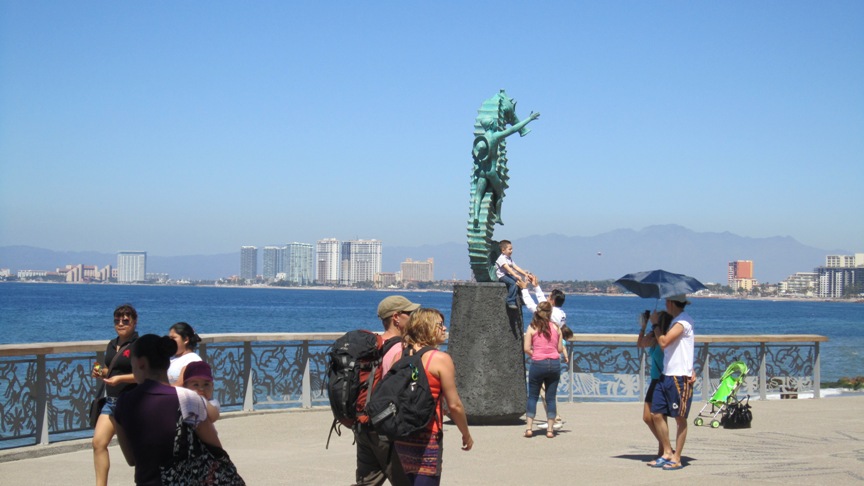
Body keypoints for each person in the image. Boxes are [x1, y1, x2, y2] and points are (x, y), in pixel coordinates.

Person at [112, 334, 223, 486]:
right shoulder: (188, 399)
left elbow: (131, 459)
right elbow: (215, 449)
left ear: (141, 363)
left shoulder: (123, 402)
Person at [393, 308, 473, 485]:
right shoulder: (439, 359)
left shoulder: (400, 355)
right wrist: (466, 433)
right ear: (426, 327)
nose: (444, 329)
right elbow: (455, 405)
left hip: (402, 434)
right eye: (440, 325)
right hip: (427, 435)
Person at [352, 296, 419, 486]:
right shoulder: (400, 348)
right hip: (385, 427)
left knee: (367, 482)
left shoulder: (372, 346)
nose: (414, 317)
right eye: (410, 313)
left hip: (364, 424)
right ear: (396, 317)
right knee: (407, 481)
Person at [92, 304, 139, 486]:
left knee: (137, 452)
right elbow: (111, 370)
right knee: (98, 443)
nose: (121, 323)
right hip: (111, 403)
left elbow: (144, 375)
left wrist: (120, 379)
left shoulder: (138, 345)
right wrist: (101, 372)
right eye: (117, 320)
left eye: (125, 320)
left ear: (134, 322)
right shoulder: (112, 344)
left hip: (131, 404)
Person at [649, 295, 696, 471]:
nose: (665, 305)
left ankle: (677, 458)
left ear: (671, 303)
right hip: (667, 374)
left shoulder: (683, 322)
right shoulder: (676, 321)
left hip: (679, 377)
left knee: (680, 418)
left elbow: (663, 342)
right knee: (656, 413)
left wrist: (654, 324)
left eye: (667, 302)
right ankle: (667, 451)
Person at [520, 279, 572, 430]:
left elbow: (533, 306)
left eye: (550, 296)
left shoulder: (549, 315)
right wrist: (536, 286)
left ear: (553, 300)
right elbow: (542, 302)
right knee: (549, 393)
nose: (547, 298)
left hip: (541, 360)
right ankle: (553, 420)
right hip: (554, 360)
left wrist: (525, 289)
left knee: (541, 394)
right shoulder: (560, 314)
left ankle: (554, 419)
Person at [636, 310, 674, 463]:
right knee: (647, 417)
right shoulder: (654, 336)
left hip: (663, 379)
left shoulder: (666, 339)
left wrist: (655, 325)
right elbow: (640, 344)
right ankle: (666, 447)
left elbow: (664, 346)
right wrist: (644, 326)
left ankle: (664, 451)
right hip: (654, 379)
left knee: (658, 417)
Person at [495, 240, 532, 309]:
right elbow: (507, 267)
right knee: (513, 283)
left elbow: (516, 267)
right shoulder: (501, 258)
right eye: (510, 249)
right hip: (502, 276)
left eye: (512, 249)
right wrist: (515, 275)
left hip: (507, 275)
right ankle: (510, 301)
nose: (511, 251)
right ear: (503, 250)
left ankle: (520, 297)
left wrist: (525, 274)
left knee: (519, 281)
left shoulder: (509, 259)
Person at [167, 321, 203, 386]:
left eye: (173, 338)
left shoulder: (192, 360)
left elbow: (181, 384)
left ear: (186, 340)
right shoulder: (170, 357)